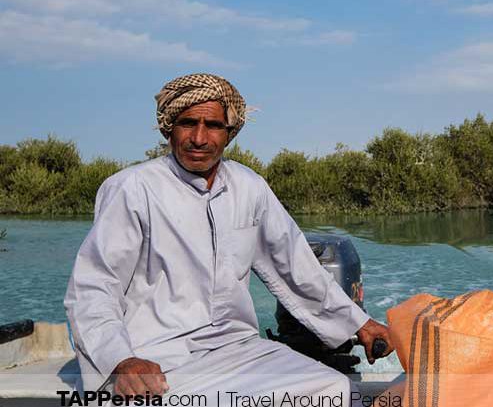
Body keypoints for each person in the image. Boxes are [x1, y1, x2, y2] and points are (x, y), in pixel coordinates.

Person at [64, 73, 393, 405]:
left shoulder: (248, 187)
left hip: (237, 349)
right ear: (169, 129)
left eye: (213, 126)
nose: (199, 138)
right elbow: (94, 287)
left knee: (334, 391)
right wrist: (121, 360)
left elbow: (296, 266)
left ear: (229, 133)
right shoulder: (132, 189)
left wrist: (358, 323)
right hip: (153, 356)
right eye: (187, 123)